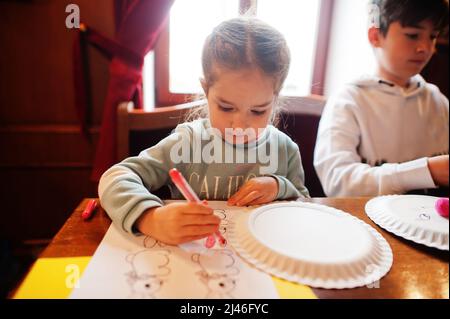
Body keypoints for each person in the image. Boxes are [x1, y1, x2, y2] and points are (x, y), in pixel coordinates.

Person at [99, 17, 310, 245]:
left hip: (265, 266)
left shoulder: (284, 150)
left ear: (275, 99)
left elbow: (305, 209)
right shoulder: (188, 143)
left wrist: (281, 187)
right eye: (226, 107)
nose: (239, 126)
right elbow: (114, 178)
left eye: (258, 111)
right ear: (206, 90)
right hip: (193, 264)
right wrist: (151, 218)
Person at [314, 0, 449, 197]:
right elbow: (338, 182)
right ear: (375, 36)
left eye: (432, 36)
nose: (425, 48)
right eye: (412, 35)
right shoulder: (349, 100)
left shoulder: (438, 101)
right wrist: (426, 171)